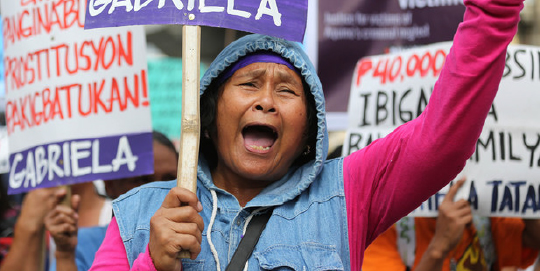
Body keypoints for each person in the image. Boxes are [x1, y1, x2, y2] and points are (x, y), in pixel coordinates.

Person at [88, 0, 526, 270]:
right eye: (248, 84)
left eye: (286, 90)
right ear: (208, 114)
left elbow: (439, 143)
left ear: (306, 131)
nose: (266, 102)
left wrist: (493, 12)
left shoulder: (347, 191)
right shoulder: (138, 213)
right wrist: (152, 264)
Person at [45, 130, 179, 271]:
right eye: (142, 181)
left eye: (169, 181)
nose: (156, 192)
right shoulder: (81, 245)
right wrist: (65, 255)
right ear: (110, 186)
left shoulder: (196, 239)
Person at [361, 178, 540, 271]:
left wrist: (524, 184)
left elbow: (534, 238)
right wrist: (439, 248)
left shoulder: (487, 210)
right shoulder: (381, 226)